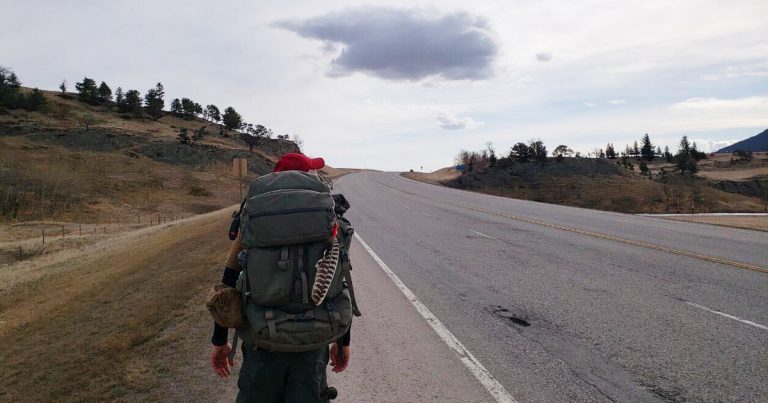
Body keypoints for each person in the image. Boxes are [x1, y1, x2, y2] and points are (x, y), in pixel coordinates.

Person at [209, 153, 351, 403]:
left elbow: (228, 282)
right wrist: (342, 343)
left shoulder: (256, 218)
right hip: (311, 346)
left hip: (262, 343)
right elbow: (339, 283)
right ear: (307, 176)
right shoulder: (328, 220)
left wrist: (219, 340)